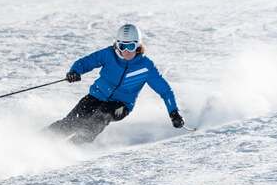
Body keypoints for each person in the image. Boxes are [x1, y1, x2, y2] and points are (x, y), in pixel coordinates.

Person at [47, 24, 185, 144]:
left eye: (130, 46)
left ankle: (72, 146)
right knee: (71, 122)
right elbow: (86, 62)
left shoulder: (145, 67)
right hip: (96, 96)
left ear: (138, 45)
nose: (125, 51)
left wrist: (174, 112)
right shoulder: (109, 54)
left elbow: (165, 91)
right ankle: (40, 140)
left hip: (121, 104)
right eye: (122, 46)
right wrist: (75, 71)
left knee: (102, 115)